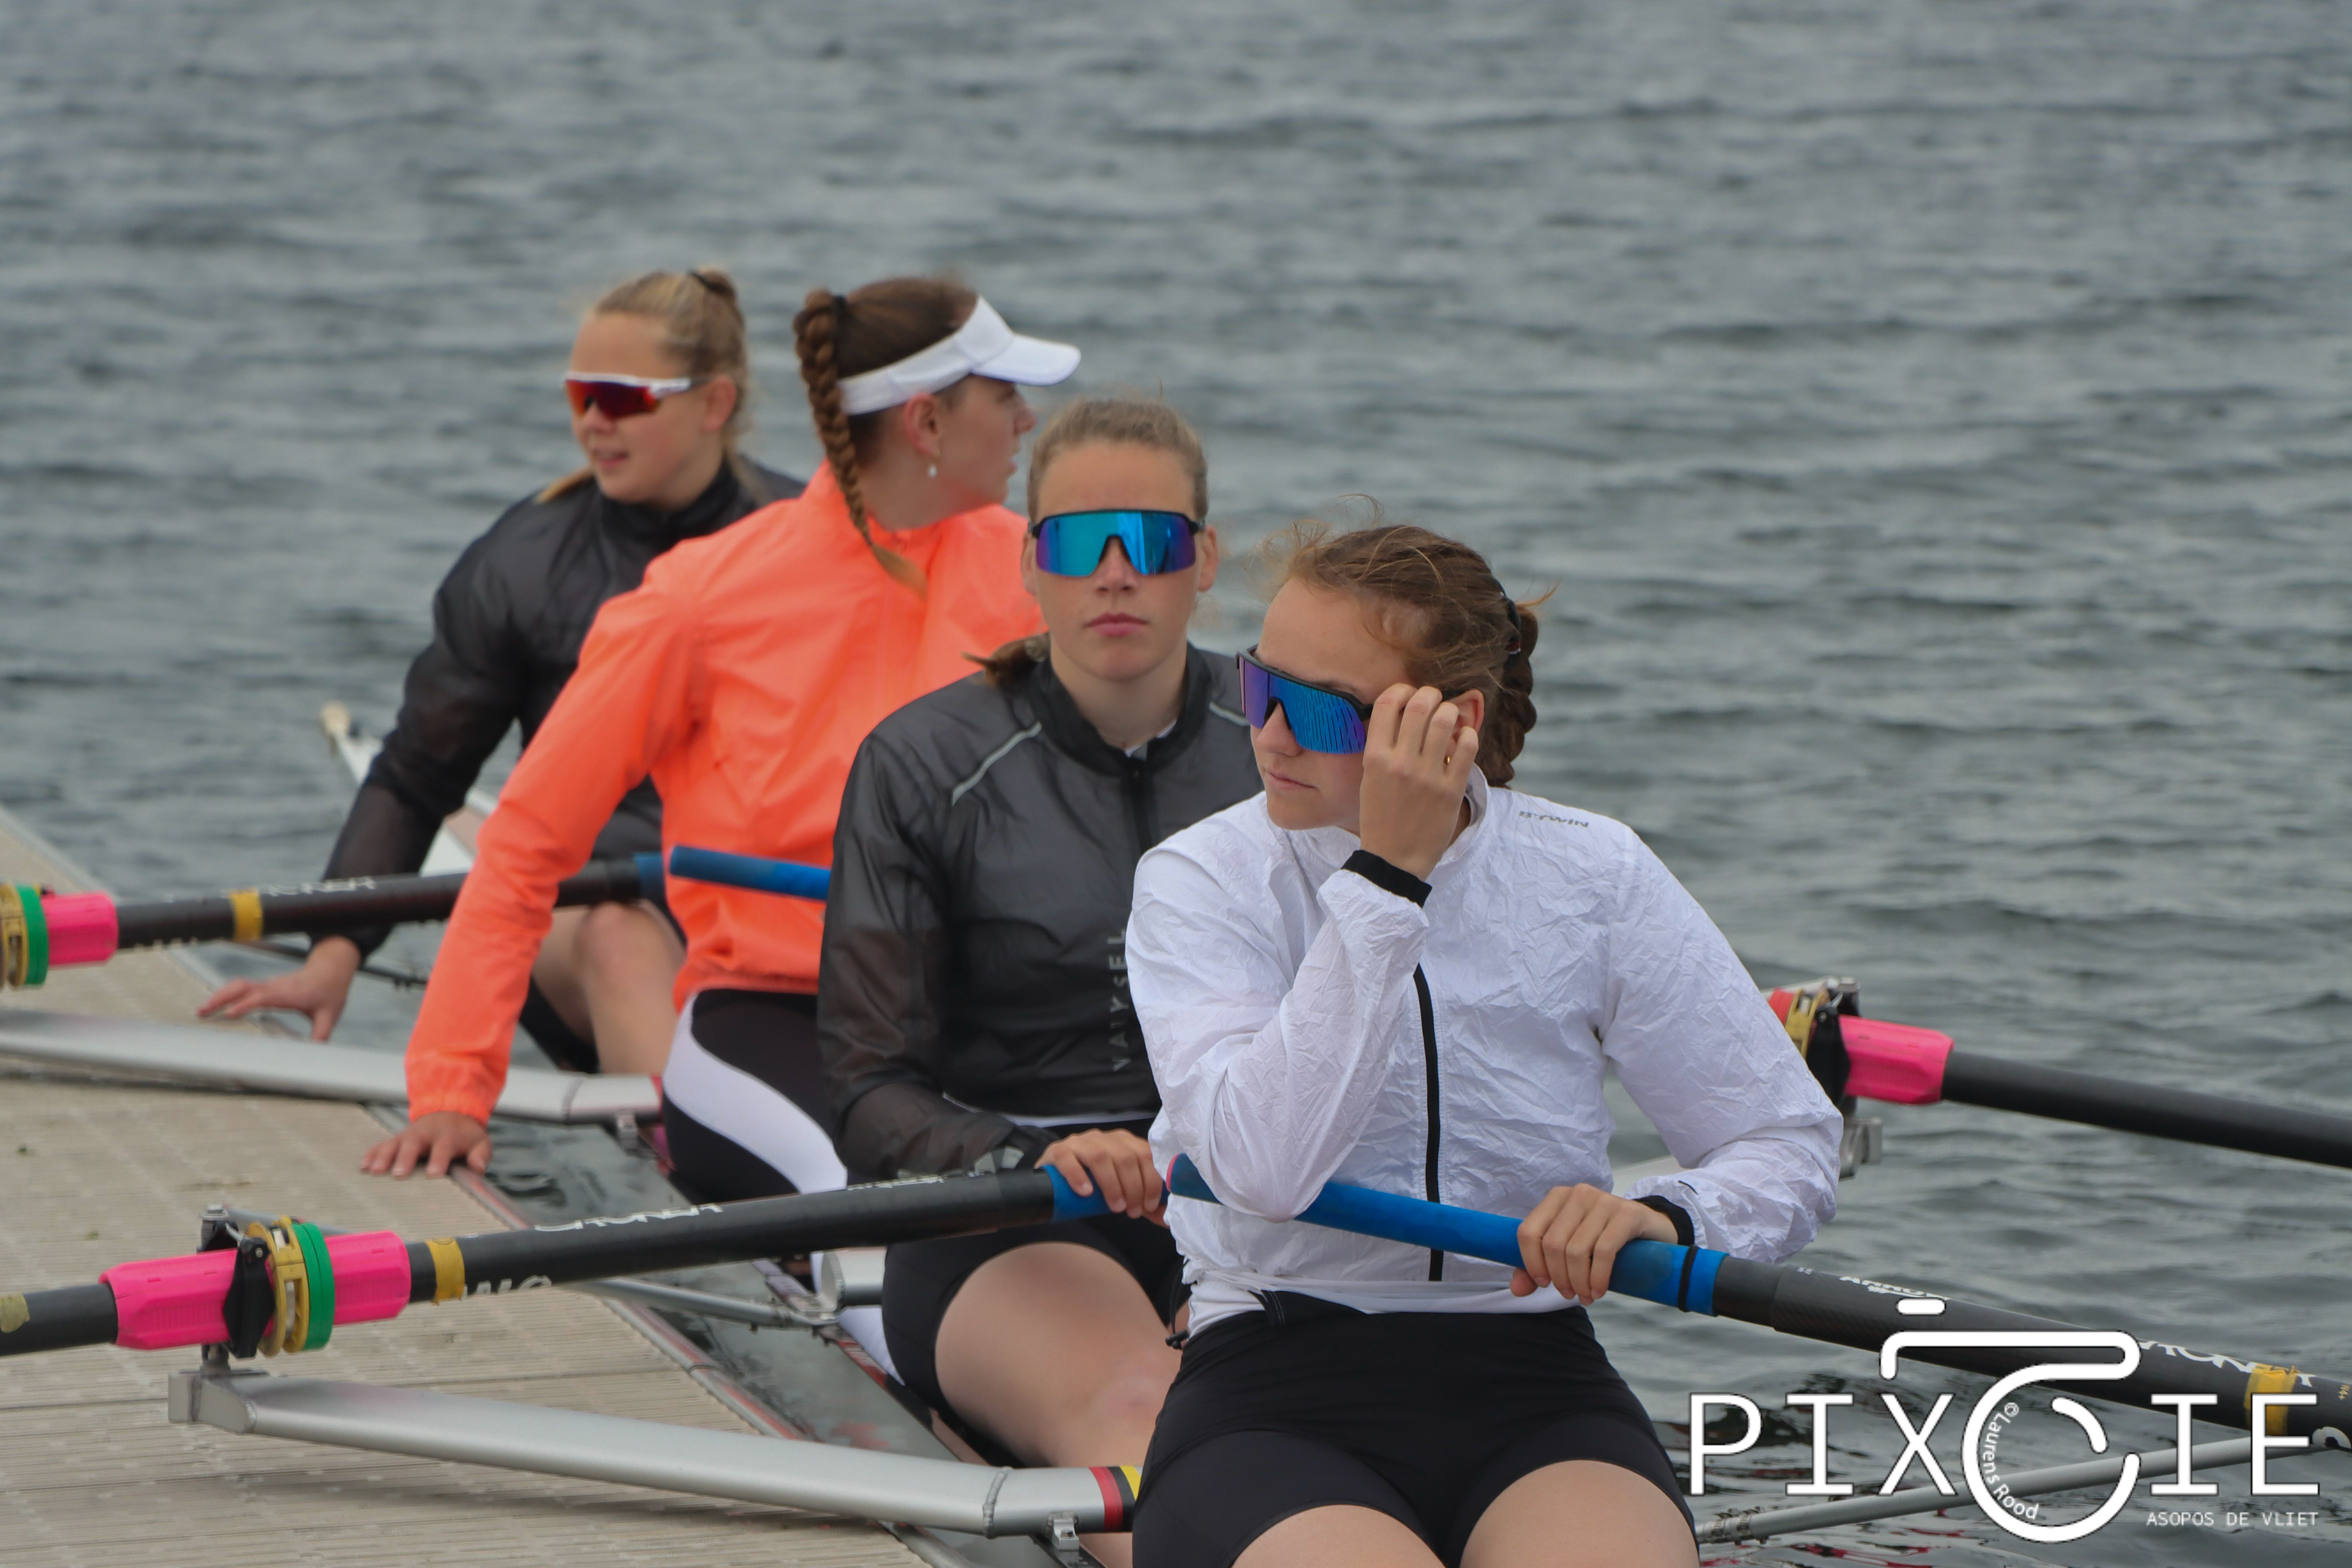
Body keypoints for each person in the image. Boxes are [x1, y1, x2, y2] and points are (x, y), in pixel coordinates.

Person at [1123, 521, 1842, 1568]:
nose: (1270, 736)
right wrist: (1385, 885)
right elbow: (1262, 1170)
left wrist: (1662, 1213)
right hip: (1273, 1378)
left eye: (1319, 709)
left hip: (1536, 1380)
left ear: (1454, 722)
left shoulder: (1594, 872)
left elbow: (1787, 1141)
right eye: (1258, 684)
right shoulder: (1202, 878)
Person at [360, 276, 1074, 1182]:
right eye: (1005, 395)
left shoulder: (1039, 575)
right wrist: (452, 1090)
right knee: (905, 1203)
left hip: (981, 1014)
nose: (1026, 420)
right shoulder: (698, 602)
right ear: (926, 424)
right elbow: (527, 847)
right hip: (777, 1014)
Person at [807, 398, 1257, 1567]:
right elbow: (867, 1093)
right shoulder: (921, 765)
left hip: (1258, 1200)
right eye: (1076, 542)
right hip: (1007, 1217)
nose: (1115, 573)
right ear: (1029, 563)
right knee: (1158, 1418)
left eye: (1151, 540)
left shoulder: (1288, 743)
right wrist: (1029, 1156)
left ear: (1205, 558)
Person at [202, 270, 797, 1075]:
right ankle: (690, 1136)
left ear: (715, 404)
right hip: (588, 899)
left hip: (761, 893)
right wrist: (333, 955)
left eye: (622, 399)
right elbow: (417, 776)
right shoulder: (524, 563)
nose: (592, 422)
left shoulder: (811, 540)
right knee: (617, 935)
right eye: (580, 395)